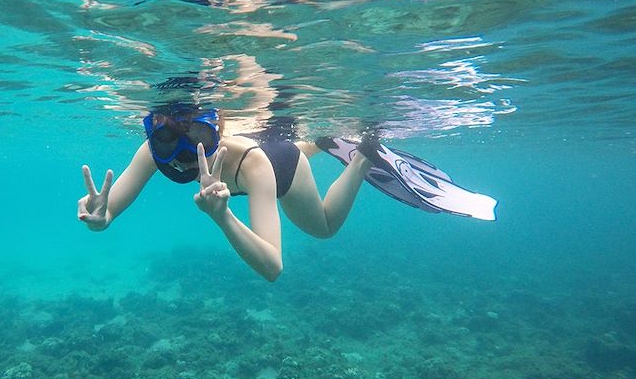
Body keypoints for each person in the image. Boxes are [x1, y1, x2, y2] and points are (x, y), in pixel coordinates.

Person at [77, 104, 497, 282]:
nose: (189, 152)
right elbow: (106, 214)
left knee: (325, 227)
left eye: (202, 135)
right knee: (301, 146)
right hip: (263, 147)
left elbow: (274, 267)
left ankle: (363, 157)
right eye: (169, 136)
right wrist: (100, 218)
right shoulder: (154, 152)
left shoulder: (254, 166)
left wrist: (222, 216)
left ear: (218, 129)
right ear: (155, 132)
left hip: (280, 162)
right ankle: (324, 141)